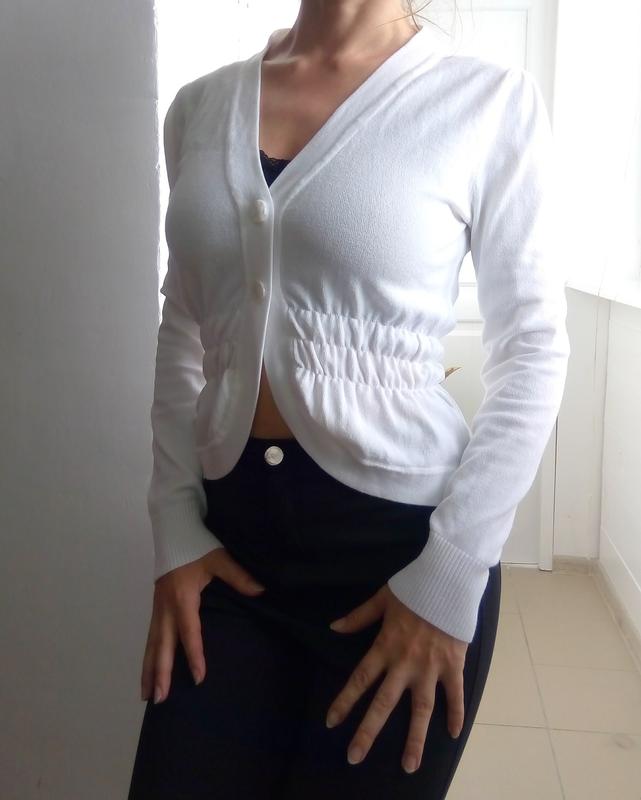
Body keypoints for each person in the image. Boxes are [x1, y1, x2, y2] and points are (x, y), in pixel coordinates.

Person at [127, 1, 570, 797]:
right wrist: (174, 526)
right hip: (228, 549)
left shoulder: (485, 101)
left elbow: (532, 347)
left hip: (399, 559)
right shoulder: (198, 107)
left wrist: (449, 578)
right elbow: (184, 327)